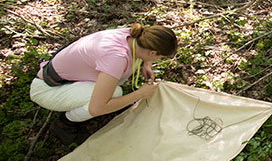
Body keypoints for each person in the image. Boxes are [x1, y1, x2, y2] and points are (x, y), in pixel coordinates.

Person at [30, 23, 178, 145]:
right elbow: (97, 107)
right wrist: (139, 94)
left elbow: (146, 51)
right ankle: (65, 124)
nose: (157, 59)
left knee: (114, 92)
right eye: (161, 57)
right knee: (115, 94)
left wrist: (147, 65)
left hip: (65, 76)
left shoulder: (134, 35)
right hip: (46, 89)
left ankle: (91, 102)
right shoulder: (116, 57)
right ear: (153, 52)